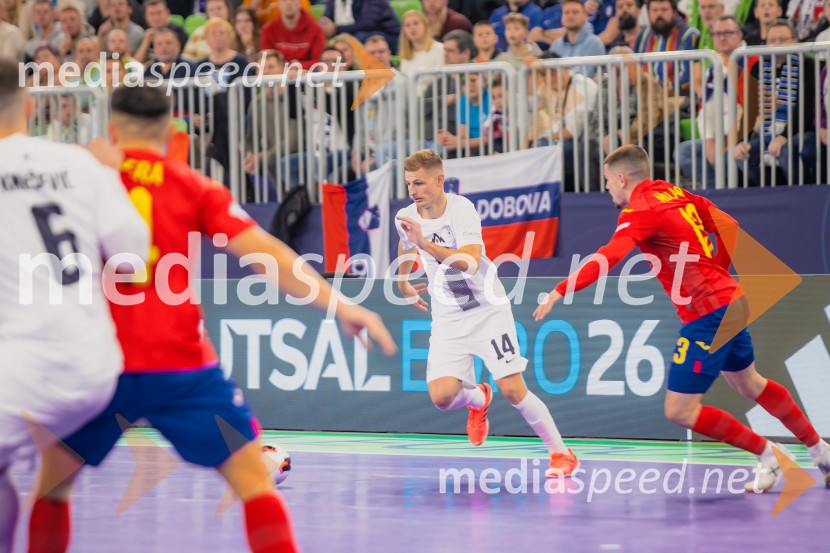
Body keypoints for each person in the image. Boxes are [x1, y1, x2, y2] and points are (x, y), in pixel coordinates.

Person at [28, 85, 397, 553]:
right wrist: (342, 304)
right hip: (180, 367)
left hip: (98, 365)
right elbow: (266, 254)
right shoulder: (194, 186)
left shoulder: (84, 179)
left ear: (112, 129)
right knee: (253, 483)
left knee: (51, 487)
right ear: (170, 132)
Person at [533, 144, 830, 492]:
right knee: (748, 383)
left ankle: (769, 454)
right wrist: (717, 272)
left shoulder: (639, 209)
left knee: (680, 411)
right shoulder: (672, 193)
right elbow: (729, 225)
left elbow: (609, 256)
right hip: (731, 300)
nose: (608, 189)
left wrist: (560, 289)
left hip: (709, 312)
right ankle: (819, 448)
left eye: (607, 182)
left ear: (621, 177)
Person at [0, 57, 148, 553]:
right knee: (53, 477)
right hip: (95, 367)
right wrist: (107, 176)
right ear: (26, 105)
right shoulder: (80, 162)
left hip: (21, 369)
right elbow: (131, 256)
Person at [395, 149, 579, 478]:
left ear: (439, 180)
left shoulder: (462, 209)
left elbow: (468, 261)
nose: (413, 190)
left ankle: (561, 454)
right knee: (442, 396)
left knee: (512, 389)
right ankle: (478, 399)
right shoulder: (407, 215)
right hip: (449, 317)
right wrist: (403, 280)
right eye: (409, 183)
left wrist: (424, 243)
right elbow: (405, 245)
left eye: (419, 183)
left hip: (487, 310)